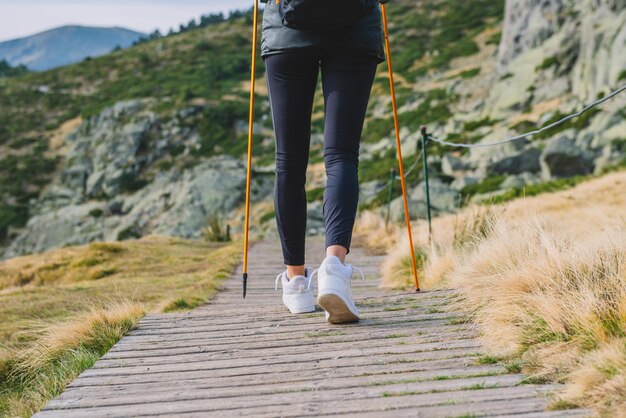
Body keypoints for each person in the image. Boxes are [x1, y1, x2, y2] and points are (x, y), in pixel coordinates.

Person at [261, 0, 387, 323]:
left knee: (289, 162)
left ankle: (297, 283)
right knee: (342, 155)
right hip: (355, 32)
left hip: (286, 35)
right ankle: (334, 267)